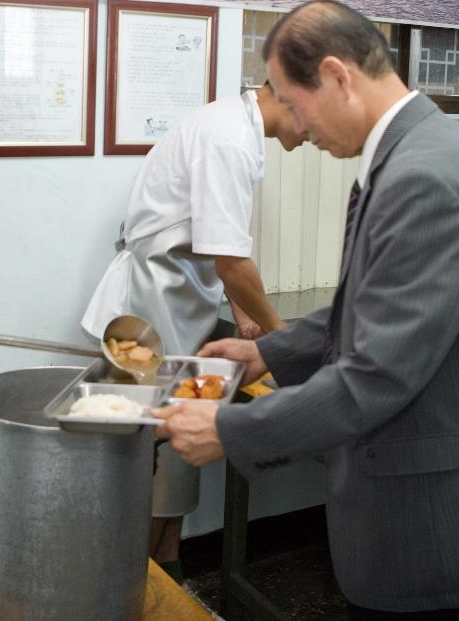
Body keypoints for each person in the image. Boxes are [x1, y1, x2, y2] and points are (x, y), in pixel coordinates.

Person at [155, 0, 459, 618]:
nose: (297, 129)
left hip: (442, 512)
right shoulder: (413, 153)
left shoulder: (425, 177)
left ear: (337, 77)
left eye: (292, 102)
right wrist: (266, 351)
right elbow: (372, 308)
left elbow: (378, 372)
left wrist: (229, 429)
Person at [81, 81, 306, 572]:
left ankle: (169, 567)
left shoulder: (233, 128)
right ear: (291, 94)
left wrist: (243, 310)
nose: (316, 132)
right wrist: (281, 337)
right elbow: (231, 261)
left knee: (176, 458)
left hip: (177, 308)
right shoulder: (227, 137)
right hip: (148, 315)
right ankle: (132, 586)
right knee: (152, 461)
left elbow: (209, 237)